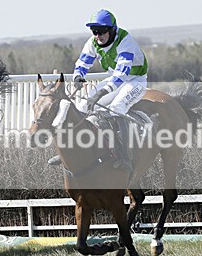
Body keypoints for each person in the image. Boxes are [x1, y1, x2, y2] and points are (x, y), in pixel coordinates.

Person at [52, 9, 149, 170]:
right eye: (94, 31)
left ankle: (126, 156)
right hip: (114, 79)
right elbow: (82, 64)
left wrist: (100, 93)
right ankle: (69, 152)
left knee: (116, 108)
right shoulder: (93, 43)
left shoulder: (125, 41)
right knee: (83, 106)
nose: (98, 35)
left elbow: (121, 74)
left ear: (112, 30)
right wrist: (78, 77)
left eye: (102, 31)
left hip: (135, 81)